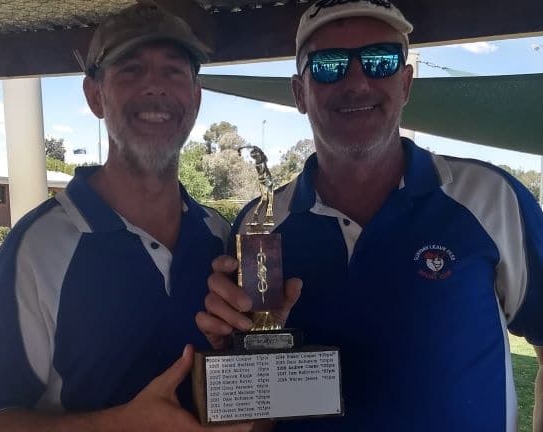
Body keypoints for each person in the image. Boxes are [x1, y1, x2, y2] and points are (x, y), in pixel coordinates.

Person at [196, 1, 543, 431]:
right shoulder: (258, 226)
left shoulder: (491, 198)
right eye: (329, 65)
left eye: (381, 60)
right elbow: (255, 408)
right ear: (300, 93)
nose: (357, 82)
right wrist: (234, 351)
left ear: (406, 82)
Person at [0, 3, 251, 431]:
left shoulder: (220, 236)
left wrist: (257, 343)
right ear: (95, 96)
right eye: (131, 70)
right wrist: (118, 424)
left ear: (196, 97)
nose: (155, 86)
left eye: (174, 71)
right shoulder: (37, 248)